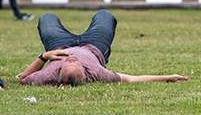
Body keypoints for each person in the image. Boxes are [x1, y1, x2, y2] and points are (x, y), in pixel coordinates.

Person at [18, 10, 188, 86]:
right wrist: (169, 77)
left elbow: (23, 78)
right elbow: (133, 79)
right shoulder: (98, 74)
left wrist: (45, 56)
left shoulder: (48, 75)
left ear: (58, 73)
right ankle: (104, 52)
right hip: (94, 45)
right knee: (105, 15)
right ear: (85, 72)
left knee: (47, 17)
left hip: (58, 44)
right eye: (75, 63)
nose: (71, 58)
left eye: (67, 62)